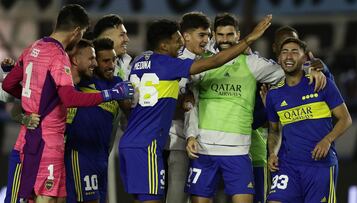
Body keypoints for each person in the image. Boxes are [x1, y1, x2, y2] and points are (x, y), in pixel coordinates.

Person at [118, 15, 272, 203]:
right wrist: (249, 39)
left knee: (141, 197)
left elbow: (143, 95)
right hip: (150, 144)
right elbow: (214, 62)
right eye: (177, 41)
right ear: (165, 45)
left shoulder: (141, 59)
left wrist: (182, 96)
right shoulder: (171, 64)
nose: (180, 45)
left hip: (132, 140)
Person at [184, 13, 328, 203]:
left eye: (230, 34)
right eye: (220, 35)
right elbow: (191, 103)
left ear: (238, 35)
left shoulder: (253, 63)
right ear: (214, 36)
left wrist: (315, 69)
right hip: (204, 148)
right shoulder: (202, 63)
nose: (225, 39)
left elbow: (287, 70)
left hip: (239, 150)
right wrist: (191, 135)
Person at [2, 4, 134, 203]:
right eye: (81, 34)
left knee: (59, 199)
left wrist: (31, 101)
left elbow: (9, 84)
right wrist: (109, 94)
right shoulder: (58, 55)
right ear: (76, 31)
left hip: (31, 137)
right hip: (48, 142)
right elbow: (70, 98)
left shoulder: (33, 47)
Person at [266, 37, 352, 203]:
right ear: (279, 59)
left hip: (320, 166)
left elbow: (345, 119)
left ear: (304, 58)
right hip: (288, 165)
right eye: (284, 52)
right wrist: (272, 154)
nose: (288, 56)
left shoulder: (321, 83)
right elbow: (274, 130)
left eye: (294, 52)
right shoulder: (273, 95)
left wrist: (327, 141)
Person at [65, 38, 131, 203]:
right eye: (105, 61)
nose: (111, 65)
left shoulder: (117, 83)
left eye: (114, 60)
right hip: (80, 153)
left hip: (102, 156)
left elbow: (131, 113)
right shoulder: (82, 81)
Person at [164, 12, 211, 203]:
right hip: (177, 141)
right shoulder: (177, 62)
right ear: (186, 36)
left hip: (201, 141)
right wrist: (182, 97)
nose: (206, 40)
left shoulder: (208, 59)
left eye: (208, 35)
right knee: (176, 195)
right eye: (202, 35)